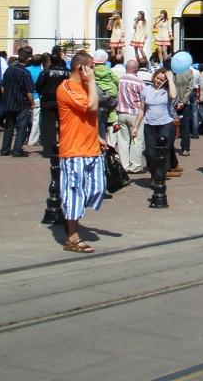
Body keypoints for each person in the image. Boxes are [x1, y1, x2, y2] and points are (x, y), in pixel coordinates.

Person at [56, 50, 108, 253]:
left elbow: (91, 116)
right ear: (81, 68)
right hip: (74, 150)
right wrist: (92, 82)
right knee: (74, 193)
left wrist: (97, 136)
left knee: (97, 189)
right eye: (92, 68)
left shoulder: (86, 87)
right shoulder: (67, 88)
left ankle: (69, 213)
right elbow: (92, 107)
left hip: (91, 147)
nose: (94, 71)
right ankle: (72, 237)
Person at [134, 67, 180, 180]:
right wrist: (135, 126)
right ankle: (154, 174)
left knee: (163, 150)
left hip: (165, 124)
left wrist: (170, 80)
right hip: (149, 124)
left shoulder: (167, 89)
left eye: (161, 79)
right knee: (150, 152)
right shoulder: (146, 89)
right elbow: (141, 109)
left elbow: (173, 95)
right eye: (157, 78)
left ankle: (160, 175)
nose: (158, 81)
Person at [0, 46, 35, 157]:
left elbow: (3, 86)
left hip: (9, 102)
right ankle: (17, 150)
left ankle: (5, 150)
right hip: (22, 103)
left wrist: (5, 98)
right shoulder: (25, 73)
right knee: (22, 127)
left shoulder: (9, 70)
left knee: (9, 126)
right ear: (27, 60)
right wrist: (32, 103)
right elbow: (29, 91)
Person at [36, 46, 69, 158]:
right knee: (64, 125)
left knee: (48, 126)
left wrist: (43, 93)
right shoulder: (67, 72)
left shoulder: (45, 72)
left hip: (47, 100)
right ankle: (64, 148)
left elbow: (38, 86)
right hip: (63, 101)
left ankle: (48, 151)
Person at [113, 59, 145, 173]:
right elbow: (143, 100)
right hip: (135, 114)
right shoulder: (139, 82)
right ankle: (134, 165)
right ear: (136, 69)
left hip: (121, 112)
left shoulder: (119, 80)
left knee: (122, 140)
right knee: (136, 140)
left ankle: (124, 165)